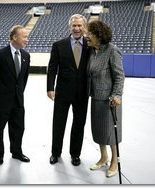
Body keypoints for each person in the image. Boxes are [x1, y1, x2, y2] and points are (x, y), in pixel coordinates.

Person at [47, 14, 90, 166]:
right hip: (62, 92)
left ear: (84, 27)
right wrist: (50, 88)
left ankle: (75, 154)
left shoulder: (90, 45)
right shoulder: (59, 45)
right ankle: (55, 153)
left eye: (79, 25)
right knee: (58, 123)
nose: (77, 28)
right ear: (69, 27)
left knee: (79, 124)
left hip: (83, 93)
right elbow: (52, 68)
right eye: (74, 25)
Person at [0, 25, 30, 165]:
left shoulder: (26, 56)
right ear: (14, 37)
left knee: (18, 127)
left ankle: (16, 152)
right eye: (24, 36)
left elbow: (24, 79)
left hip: (18, 100)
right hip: (1, 100)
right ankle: (0, 155)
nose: (27, 40)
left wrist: (20, 93)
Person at [85, 20, 125, 178]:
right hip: (95, 97)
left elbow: (119, 76)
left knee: (110, 133)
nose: (87, 36)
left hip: (110, 100)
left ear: (99, 36)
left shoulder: (112, 50)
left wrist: (117, 95)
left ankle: (114, 161)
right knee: (99, 130)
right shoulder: (92, 51)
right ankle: (103, 157)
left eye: (90, 34)